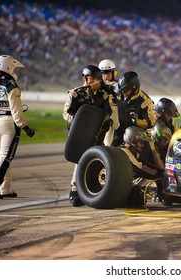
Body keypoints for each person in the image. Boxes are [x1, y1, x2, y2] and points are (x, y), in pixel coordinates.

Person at [62, 65, 113, 207]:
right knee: (80, 160)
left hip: (98, 134)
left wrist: (108, 121)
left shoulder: (103, 95)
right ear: (84, 78)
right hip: (80, 133)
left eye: (98, 78)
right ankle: (74, 190)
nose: (95, 81)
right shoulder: (74, 94)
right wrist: (81, 121)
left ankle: (95, 189)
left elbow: (109, 113)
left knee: (99, 160)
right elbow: (66, 114)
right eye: (92, 78)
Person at [0, 55, 35, 199]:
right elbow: (16, 112)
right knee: (5, 157)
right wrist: (26, 127)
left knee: (2, 156)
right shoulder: (11, 85)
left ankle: (5, 189)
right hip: (8, 124)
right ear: (9, 67)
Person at [121, 126, 164, 207]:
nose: (142, 146)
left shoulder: (133, 151)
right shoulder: (124, 151)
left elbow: (145, 164)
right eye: (141, 143)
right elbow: (138, 169)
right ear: (132, 141)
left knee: (160, 178)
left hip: (132, 178)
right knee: (154, 185)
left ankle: (162, 196)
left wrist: (161, 172)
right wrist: (158, 174)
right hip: (125, 182)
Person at [113, 71, 156, 146]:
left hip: (135, 138)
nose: (123, 93)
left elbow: (152, 122)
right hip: (118, 132)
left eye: (126, 91)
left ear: (134, 88)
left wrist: (137, 121)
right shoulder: (120, 94)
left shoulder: (145, 102)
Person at [98, 59, 120, 146]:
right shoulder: (97, 85)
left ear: (113, 73)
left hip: (113, 121)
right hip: (99, 119)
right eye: (103, 73)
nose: (105, 76)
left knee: (108, 144)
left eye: (107, 73)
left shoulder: (117, 86)